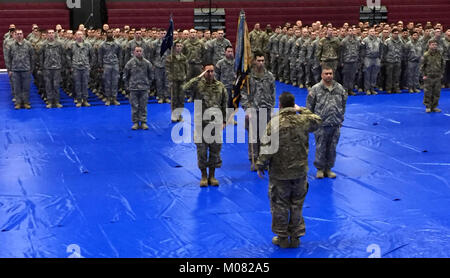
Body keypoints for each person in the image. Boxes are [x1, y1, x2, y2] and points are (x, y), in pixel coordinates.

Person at [256, 92, 322, 248]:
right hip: (299, 172)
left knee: (280, 205)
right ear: (293, 105)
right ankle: (296, 237)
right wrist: (302, 110)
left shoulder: (274, 123)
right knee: (297, 204)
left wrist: (260, 164)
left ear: (280, 104)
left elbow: (267, 148)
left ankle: (282, 237)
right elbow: (318, 120)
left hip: (280, 173)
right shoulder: (303, 120)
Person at [182, 64, 227, 187]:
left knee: (214, 151)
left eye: (212, 71)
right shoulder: (198, 85)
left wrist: (224, 121)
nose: (210, 74)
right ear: (203, 72)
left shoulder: (220, 86)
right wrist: (198, 77)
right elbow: (185, 88)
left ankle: (212, 176)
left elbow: (224, 104)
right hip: (201, 124)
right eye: (207, 71)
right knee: (201, 152)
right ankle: (203, 176)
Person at [306, 66, 347, 179]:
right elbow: (309, 107)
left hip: (335, 123)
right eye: (326, 73)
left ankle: (328, 168)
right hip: (321, 124)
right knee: (321, 147)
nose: (329, 75)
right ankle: (320, 169)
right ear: (322, 75)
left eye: (330, 73)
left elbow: (343, 103)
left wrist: (341, 117)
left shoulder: (339, 88)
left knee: (332, 148)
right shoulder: (315, 89)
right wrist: (312, 121)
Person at [241, 51, 276, 171]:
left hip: (266, 109)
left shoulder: (269, 76)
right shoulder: (249, 77)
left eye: (262, 61)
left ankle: (263, 159)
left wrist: (272, 108)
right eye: (259, 60)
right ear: (254, 61)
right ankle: (254, 160)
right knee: (253, 136)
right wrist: (247, 108)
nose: (261, 63)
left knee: (265, 136)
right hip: (254, 109)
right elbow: (243, 93)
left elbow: (272, 93)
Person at [123, 46, 154, 130]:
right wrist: (127, 87)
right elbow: (125, 76)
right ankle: (135, 122)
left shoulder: (147, 63)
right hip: (133, 88)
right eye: (137, 51)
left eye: (140, 51)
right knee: (135, 106)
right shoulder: (130, 63)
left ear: (142, 52)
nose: (139, 52)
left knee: (143, 106)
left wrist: (148, 84)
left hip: (144, 88)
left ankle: (143, 122)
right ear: (134, 52)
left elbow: (151, 75)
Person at [5, 29, 34, 109]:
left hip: (26, 69)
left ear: (23, 34)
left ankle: (26, 103)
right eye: (17, 34)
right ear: (15, 35)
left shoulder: (28, 44)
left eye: (20, 34)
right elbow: (8, 58)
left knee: (26, 87)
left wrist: (31, 69)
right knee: (16, 88)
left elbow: (32, 57)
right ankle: (18, 103)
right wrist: (9, 69)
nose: (19, 35)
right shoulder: (11, 45)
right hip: (15, 70)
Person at [67, 30, 94, 107]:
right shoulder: (72, 45)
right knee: (77, 84)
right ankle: (79, 100)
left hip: (85, 67)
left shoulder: (88, 45)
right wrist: (71, 65)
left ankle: (85, 100)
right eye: (78, 34)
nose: (80, 36)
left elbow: (92, 56)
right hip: (76, 67)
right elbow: (68, 56)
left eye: (81, 34)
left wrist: (90, 65)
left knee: (85, 84)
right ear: (75, 36)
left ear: (83, 35)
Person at [40, 29, 65, 108]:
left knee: (56, 85)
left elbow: (62, 55)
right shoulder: (44, 44)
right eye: (49, 33)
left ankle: (57, 101)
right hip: (47, 68)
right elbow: (41, 57)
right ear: (47, 35)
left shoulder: (59, 44)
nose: (51, 34)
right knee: (48, 85)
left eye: (52, 33)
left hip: (57, 68)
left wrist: (61, 65)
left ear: (54, 34)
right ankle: (50, 102)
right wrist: (42, 67)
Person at [98, 29, 122, 106]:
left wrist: (120, 65)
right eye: (108, 33)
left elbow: (120, 55)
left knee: (115, 82)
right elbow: (100, 56)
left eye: (111, 32)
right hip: (106, 65)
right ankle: (108, 98)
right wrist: (100, 66)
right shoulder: (102, 44)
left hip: (115, 64)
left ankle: (114, 98)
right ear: (106, 34)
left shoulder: (117, 44)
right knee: (107, 82)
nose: (110, 34)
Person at [166, 41, 188, 122]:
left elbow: (186, 69)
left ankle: (179, 115)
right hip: (174, 80)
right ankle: (174, 115)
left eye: (180, 46)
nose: (179, 47)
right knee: (174, 98)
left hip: (182, 80)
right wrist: (170, 78)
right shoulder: (170, 58)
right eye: (177, 46)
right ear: (174, 47)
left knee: (181, 99)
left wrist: (185, 77)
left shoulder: (184, 58)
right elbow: (167, 69)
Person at [421, 40, 445, 113]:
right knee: (428, 92)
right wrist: (424, 75)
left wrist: (441, 73)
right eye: (432, 44)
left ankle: (434, 106)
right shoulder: (426, 55)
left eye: (435, 44)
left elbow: (442, 64)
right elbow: (422, 66)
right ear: (429, 45)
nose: (434, 46)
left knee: (436, 92)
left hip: (437, 76)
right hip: (429, 76)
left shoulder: (439, 54)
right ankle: (428, 106)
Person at [215, 46, 236, 123]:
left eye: (231, 51)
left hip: (233, 86)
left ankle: (230, 118)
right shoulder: (220, 63)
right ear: (225, 52)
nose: (230, 53)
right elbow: (216, 75)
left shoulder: (235, 62)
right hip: (223, 86)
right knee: (224, 103)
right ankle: (223, 118)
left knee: (232, 103)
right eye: (228, 51)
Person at [361, 28, 382, 95]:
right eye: (371, 31)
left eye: (373, 31)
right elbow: (362, 50)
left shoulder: (378, 40)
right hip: (368, 58)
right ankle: (367, 89)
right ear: (368, 32)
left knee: (374, 75)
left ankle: (372, 88)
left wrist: (380, 57)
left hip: (376, 59)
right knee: (367, 74)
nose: (372, 32)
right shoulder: (365, 40)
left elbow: (381, 49)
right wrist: (363, 58)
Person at [384, 28, 403, 94]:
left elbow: (402, 50)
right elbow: (384, 51)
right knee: (389, 76)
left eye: (397, 33)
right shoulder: (387, 41)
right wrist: (385, 59)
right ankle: (389, 89)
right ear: (392, 34)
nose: (396, 35)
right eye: (395, 33)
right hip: (390, 61)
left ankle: (396, 88)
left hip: (398, 60)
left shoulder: (400, 41)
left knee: (397, 76)